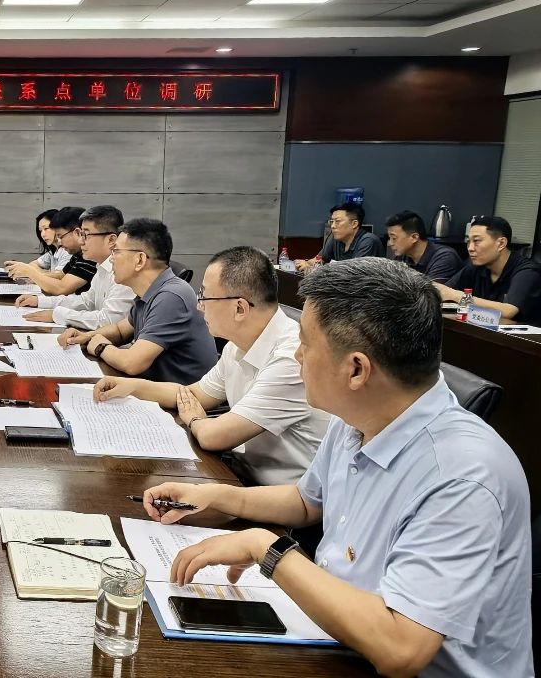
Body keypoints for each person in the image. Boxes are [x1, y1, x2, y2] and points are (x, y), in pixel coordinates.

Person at [139, 258, 531, 677]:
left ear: (357, 369)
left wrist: (266, 549)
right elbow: (307, 501)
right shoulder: (359, 416)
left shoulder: (463, 474)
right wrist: (216, 496)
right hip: (337, 636)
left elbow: (401, 649)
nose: (296, 354)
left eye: (305, 343)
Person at [91, 246, 327, 485]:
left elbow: (214, 436)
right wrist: (131, 387)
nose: (199, 306)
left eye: (204, 296)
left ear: (240, 308)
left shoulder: (291, 358)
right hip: (239, 472)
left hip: (276, 494)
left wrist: (195, 419)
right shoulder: (237, 345)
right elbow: (193, 395)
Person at [59, 219, 217, 384]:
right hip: (152, 386)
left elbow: (132, 363)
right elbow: (121, 331)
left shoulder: (171, 296)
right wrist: (86, 337)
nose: (111, 259)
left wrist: (100, 346)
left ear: (139, 260)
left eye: (116, 252)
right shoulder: (149, 291)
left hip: (180, 396)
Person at [15, 205, 134, 329]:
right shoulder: (101, 266)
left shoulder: (124, 270)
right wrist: (40, 301)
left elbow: (109, 320)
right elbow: (86, 301)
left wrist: (58, 315)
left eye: (86, 235)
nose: (81, 241)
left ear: (111, 240)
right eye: (81, 234)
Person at [435, 215, 541, 325]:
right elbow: (444, 292)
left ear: (501, 243)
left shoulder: (528, 272)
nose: (470, 248)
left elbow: (508, 311)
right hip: (479, 332)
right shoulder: (475, 266)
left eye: (476, 241)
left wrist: (456, 296)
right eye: (468, 242)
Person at [4, 206, 97, 296]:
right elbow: (60, 276)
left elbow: (62, 288)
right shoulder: (78, 254)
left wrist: (29, 271)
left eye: (60, 236)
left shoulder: (90, 257)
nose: (59, 241)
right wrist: (31, 277)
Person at [294, 202, 384, 272]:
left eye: (337, 221)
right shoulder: (336, 238)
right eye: (332, 221)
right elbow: (319, 260)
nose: (333, 226)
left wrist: (315, 269)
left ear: (354, 224)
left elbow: (354, 274)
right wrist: (306, 263)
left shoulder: (368, 241)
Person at [385, 210, 461, 283]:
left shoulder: (444, 257)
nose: (390, 243)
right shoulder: (402, 257)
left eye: (394, 238)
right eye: (389, 238)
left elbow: (429, 290)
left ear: (414, 237)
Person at [9, 209, 70, 277]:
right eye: (40, 230)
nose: (42, 234)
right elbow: (32, 264)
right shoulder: (53, 251)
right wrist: (47, 272)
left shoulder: (68, 251)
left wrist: (33, 272)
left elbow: (58, 277)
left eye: (46, 228)